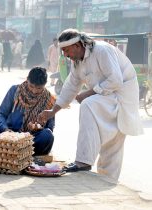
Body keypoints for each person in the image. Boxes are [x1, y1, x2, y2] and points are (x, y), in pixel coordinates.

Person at [38, 29, 143, 181]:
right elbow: (71, 86)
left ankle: (83, 161)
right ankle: (107, 182)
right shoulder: (77, 62)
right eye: (63, 52)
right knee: (111, 140)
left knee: (88, 105)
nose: (66, 55)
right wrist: (53, 111)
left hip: (121, 95)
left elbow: (115, 80)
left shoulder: (102, 50)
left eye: (67, 50)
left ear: (78, 45)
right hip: (106, 97)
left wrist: (88, 93)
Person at [0, 67, 56, 156]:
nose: (34, 91)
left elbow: (50, 127)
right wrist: (5, 129)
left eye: (39, 88)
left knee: (47, 135)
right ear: (27, 80)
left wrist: (38, 128)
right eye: (31, 86)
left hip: (31, 140)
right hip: (8, 137)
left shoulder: (49, 99)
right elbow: (1, 114)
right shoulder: (15, 90)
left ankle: (10, 150)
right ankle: (14, 150)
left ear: (45, 85)